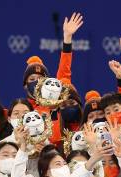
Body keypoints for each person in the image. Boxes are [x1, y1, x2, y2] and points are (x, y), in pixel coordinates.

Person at [23, 12, 84, 146]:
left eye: (40, 78)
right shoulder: (25, 109)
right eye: (32, 79)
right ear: (25, 86)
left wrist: (67, 38)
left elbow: (64, 68)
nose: (37, 82)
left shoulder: (58, 95)